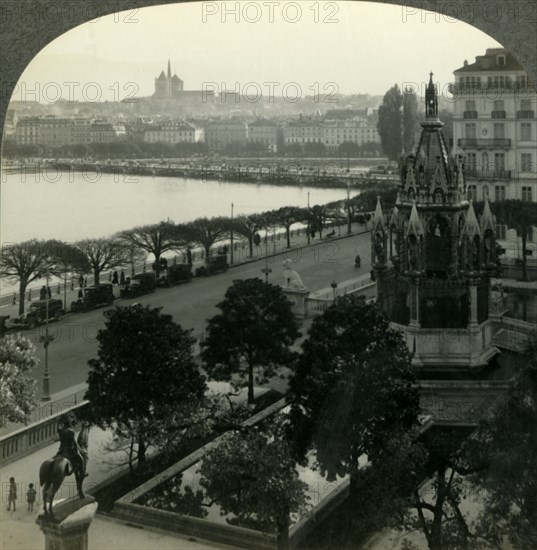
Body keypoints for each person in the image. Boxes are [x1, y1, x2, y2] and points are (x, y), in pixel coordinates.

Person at [56, 416, 85, 480]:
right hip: (70, 451)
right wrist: (79, 450)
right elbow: (74, 443)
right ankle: (82, 474)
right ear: (69, 424)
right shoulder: (71, 431)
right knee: (81, 460)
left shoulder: (61, 431)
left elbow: (61, 440)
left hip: (62, 451)